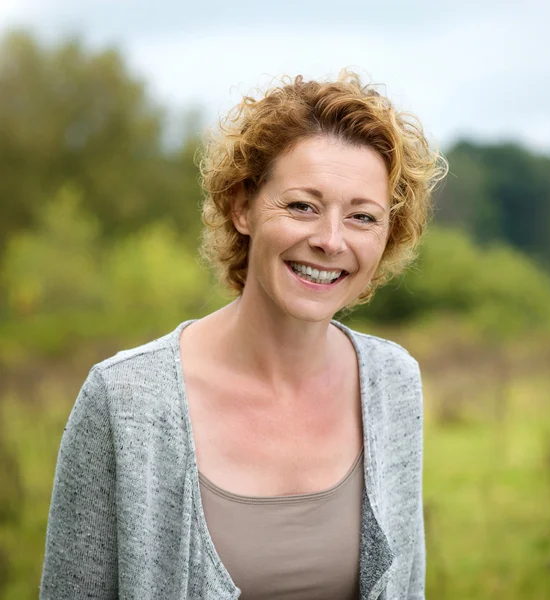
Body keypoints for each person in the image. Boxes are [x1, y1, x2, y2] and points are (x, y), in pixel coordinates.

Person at [40, 71, 447, 600]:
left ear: (387, 235)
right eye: (302, 205)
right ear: (241, 206)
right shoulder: (125, 399)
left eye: (362, 216)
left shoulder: (394, 382)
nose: (329, 240)